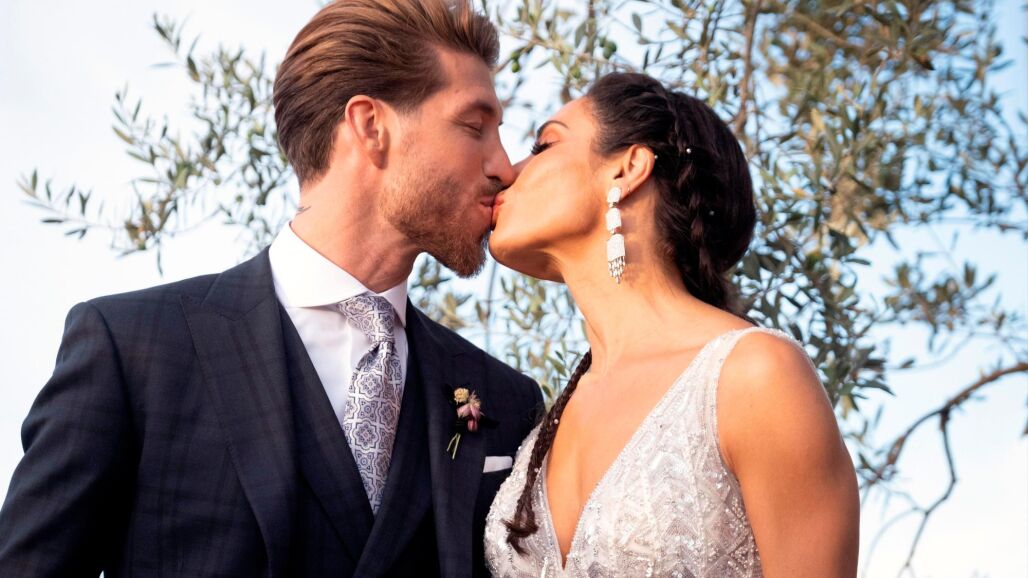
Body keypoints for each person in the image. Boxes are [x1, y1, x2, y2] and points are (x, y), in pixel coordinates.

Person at [0, 1, 541, 576]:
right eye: (474, 126)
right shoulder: (133, 349)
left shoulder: (507, 401)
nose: (505, 167)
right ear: (371, 126)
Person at [484, 72, 860, 577]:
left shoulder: (754, 377)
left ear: (628, 168)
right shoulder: (542, 427)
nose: (509, 171)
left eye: (544, 145)